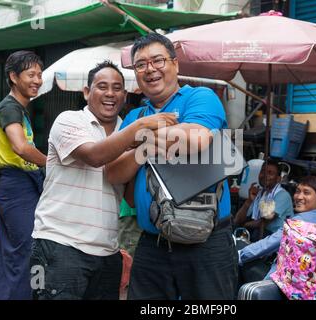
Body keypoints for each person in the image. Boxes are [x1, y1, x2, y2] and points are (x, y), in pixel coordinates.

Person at [105, 33, 238, 300]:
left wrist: (137, 139)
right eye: (141, 64)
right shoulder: (135, 116)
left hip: (206, 244)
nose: (150, 69)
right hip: (152, 244)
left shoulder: (201, 97)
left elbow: (194, 140)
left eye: (157, 60)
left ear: (175, 64)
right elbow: (112, 172)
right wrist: (147, 141)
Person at [30, 60, 176, 300]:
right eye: (102, 86)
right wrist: (139, 127)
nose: (110, 93)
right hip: (60, 246)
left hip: (108, 252)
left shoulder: (128, 131)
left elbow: (129, 196)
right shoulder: (69, 120)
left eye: (117, 88)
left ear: (124, 95)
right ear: (87, 92)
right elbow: (95, 156)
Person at [0, 51, 47, 300]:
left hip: (18, 186)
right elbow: (20, 147)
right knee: (25, 253)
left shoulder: (17, 109)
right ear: (13, 76)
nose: (37, 80)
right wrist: (54, 164)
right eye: (31, 74)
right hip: (17, 187)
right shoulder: (10, 108)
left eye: (40, 75)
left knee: (10, 254)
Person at [238, 175, 316, 283]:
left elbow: (271, 243)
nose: (299, 197)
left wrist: (239, 255)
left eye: (306, 192)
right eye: (298, 191)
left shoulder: (300, 221)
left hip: (279, 280)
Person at [233, 159, 293, 242]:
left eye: (270, 173)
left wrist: (244, 225)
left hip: (276, 238)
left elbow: (264, 221)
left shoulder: (282, 195)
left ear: (278, 179)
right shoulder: (260, 193)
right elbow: (237, 220)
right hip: (259, 234)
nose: (264, 175)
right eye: (263, 171)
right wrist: (249, 201)